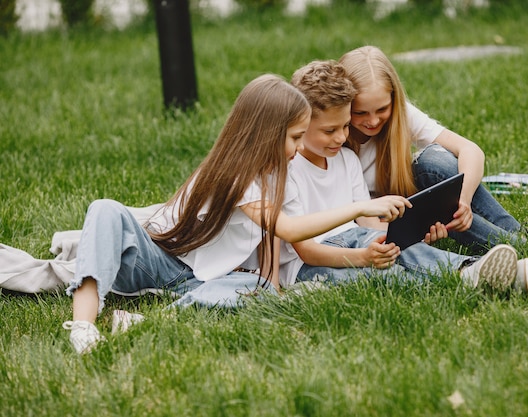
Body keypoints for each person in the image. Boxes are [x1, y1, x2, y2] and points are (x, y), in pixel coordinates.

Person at [62, 74, 411, 354]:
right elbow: (288, 229)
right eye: (294, 137)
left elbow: (272, 249)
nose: (298, 146)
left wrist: (269, 290)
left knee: (256, 288)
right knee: (104, 209)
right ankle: (84, 326)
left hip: (202, 280)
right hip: (158, 261)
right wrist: (361, 206)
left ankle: (143, 321)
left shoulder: (279, 177)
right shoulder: (238, 174)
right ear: (266, 134)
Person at [278, 59, 525, 292]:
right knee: (384, 277)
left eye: (345, 126)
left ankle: (471, 271)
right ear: (301, 122)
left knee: (398, 250)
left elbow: (370, 225)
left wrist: (406, 238)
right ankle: (474, 278)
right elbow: (306, 251)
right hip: (309, 264)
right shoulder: (286, 170)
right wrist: (363, 257)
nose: (342, 137)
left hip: (358, 239)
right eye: (330, 130)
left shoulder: (347, 159)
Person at [338, 45, 528, 258]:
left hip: (406, 204)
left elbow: (470, 150)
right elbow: (360, 217)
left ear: (394, 99)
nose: (372, 121)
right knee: (442, 206)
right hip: (378, 221)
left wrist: (463, 202)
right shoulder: (333, 137)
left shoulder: (401, 115)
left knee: (434, 161)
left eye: (382, 109)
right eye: (360, 112)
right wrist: (417, 234)